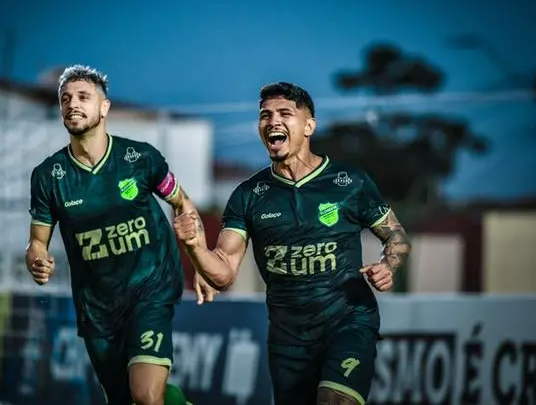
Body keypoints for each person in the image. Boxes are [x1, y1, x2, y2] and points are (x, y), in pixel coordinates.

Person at [174, 82, 412, 405]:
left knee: (333, 400)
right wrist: (194, 247)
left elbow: (396, 236)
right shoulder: (248, 195)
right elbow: (224, 272)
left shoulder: (350, 182)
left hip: (348, 322)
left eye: (285, 113)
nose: (273, 121)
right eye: (265, 115)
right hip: (288, 339)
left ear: (309, 126)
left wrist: (388, 265)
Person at [26, 64, 198, 405]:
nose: (73, 104)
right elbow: (37, 243)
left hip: (150, 290)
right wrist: (37, 260)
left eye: (83, 97)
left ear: (104, 107)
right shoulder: (48, 176)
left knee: (145, 395)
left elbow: (183, 204)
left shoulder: (140, 158)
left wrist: (201, 261)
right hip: (97, 307)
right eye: (66, 99)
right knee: (126, 399)